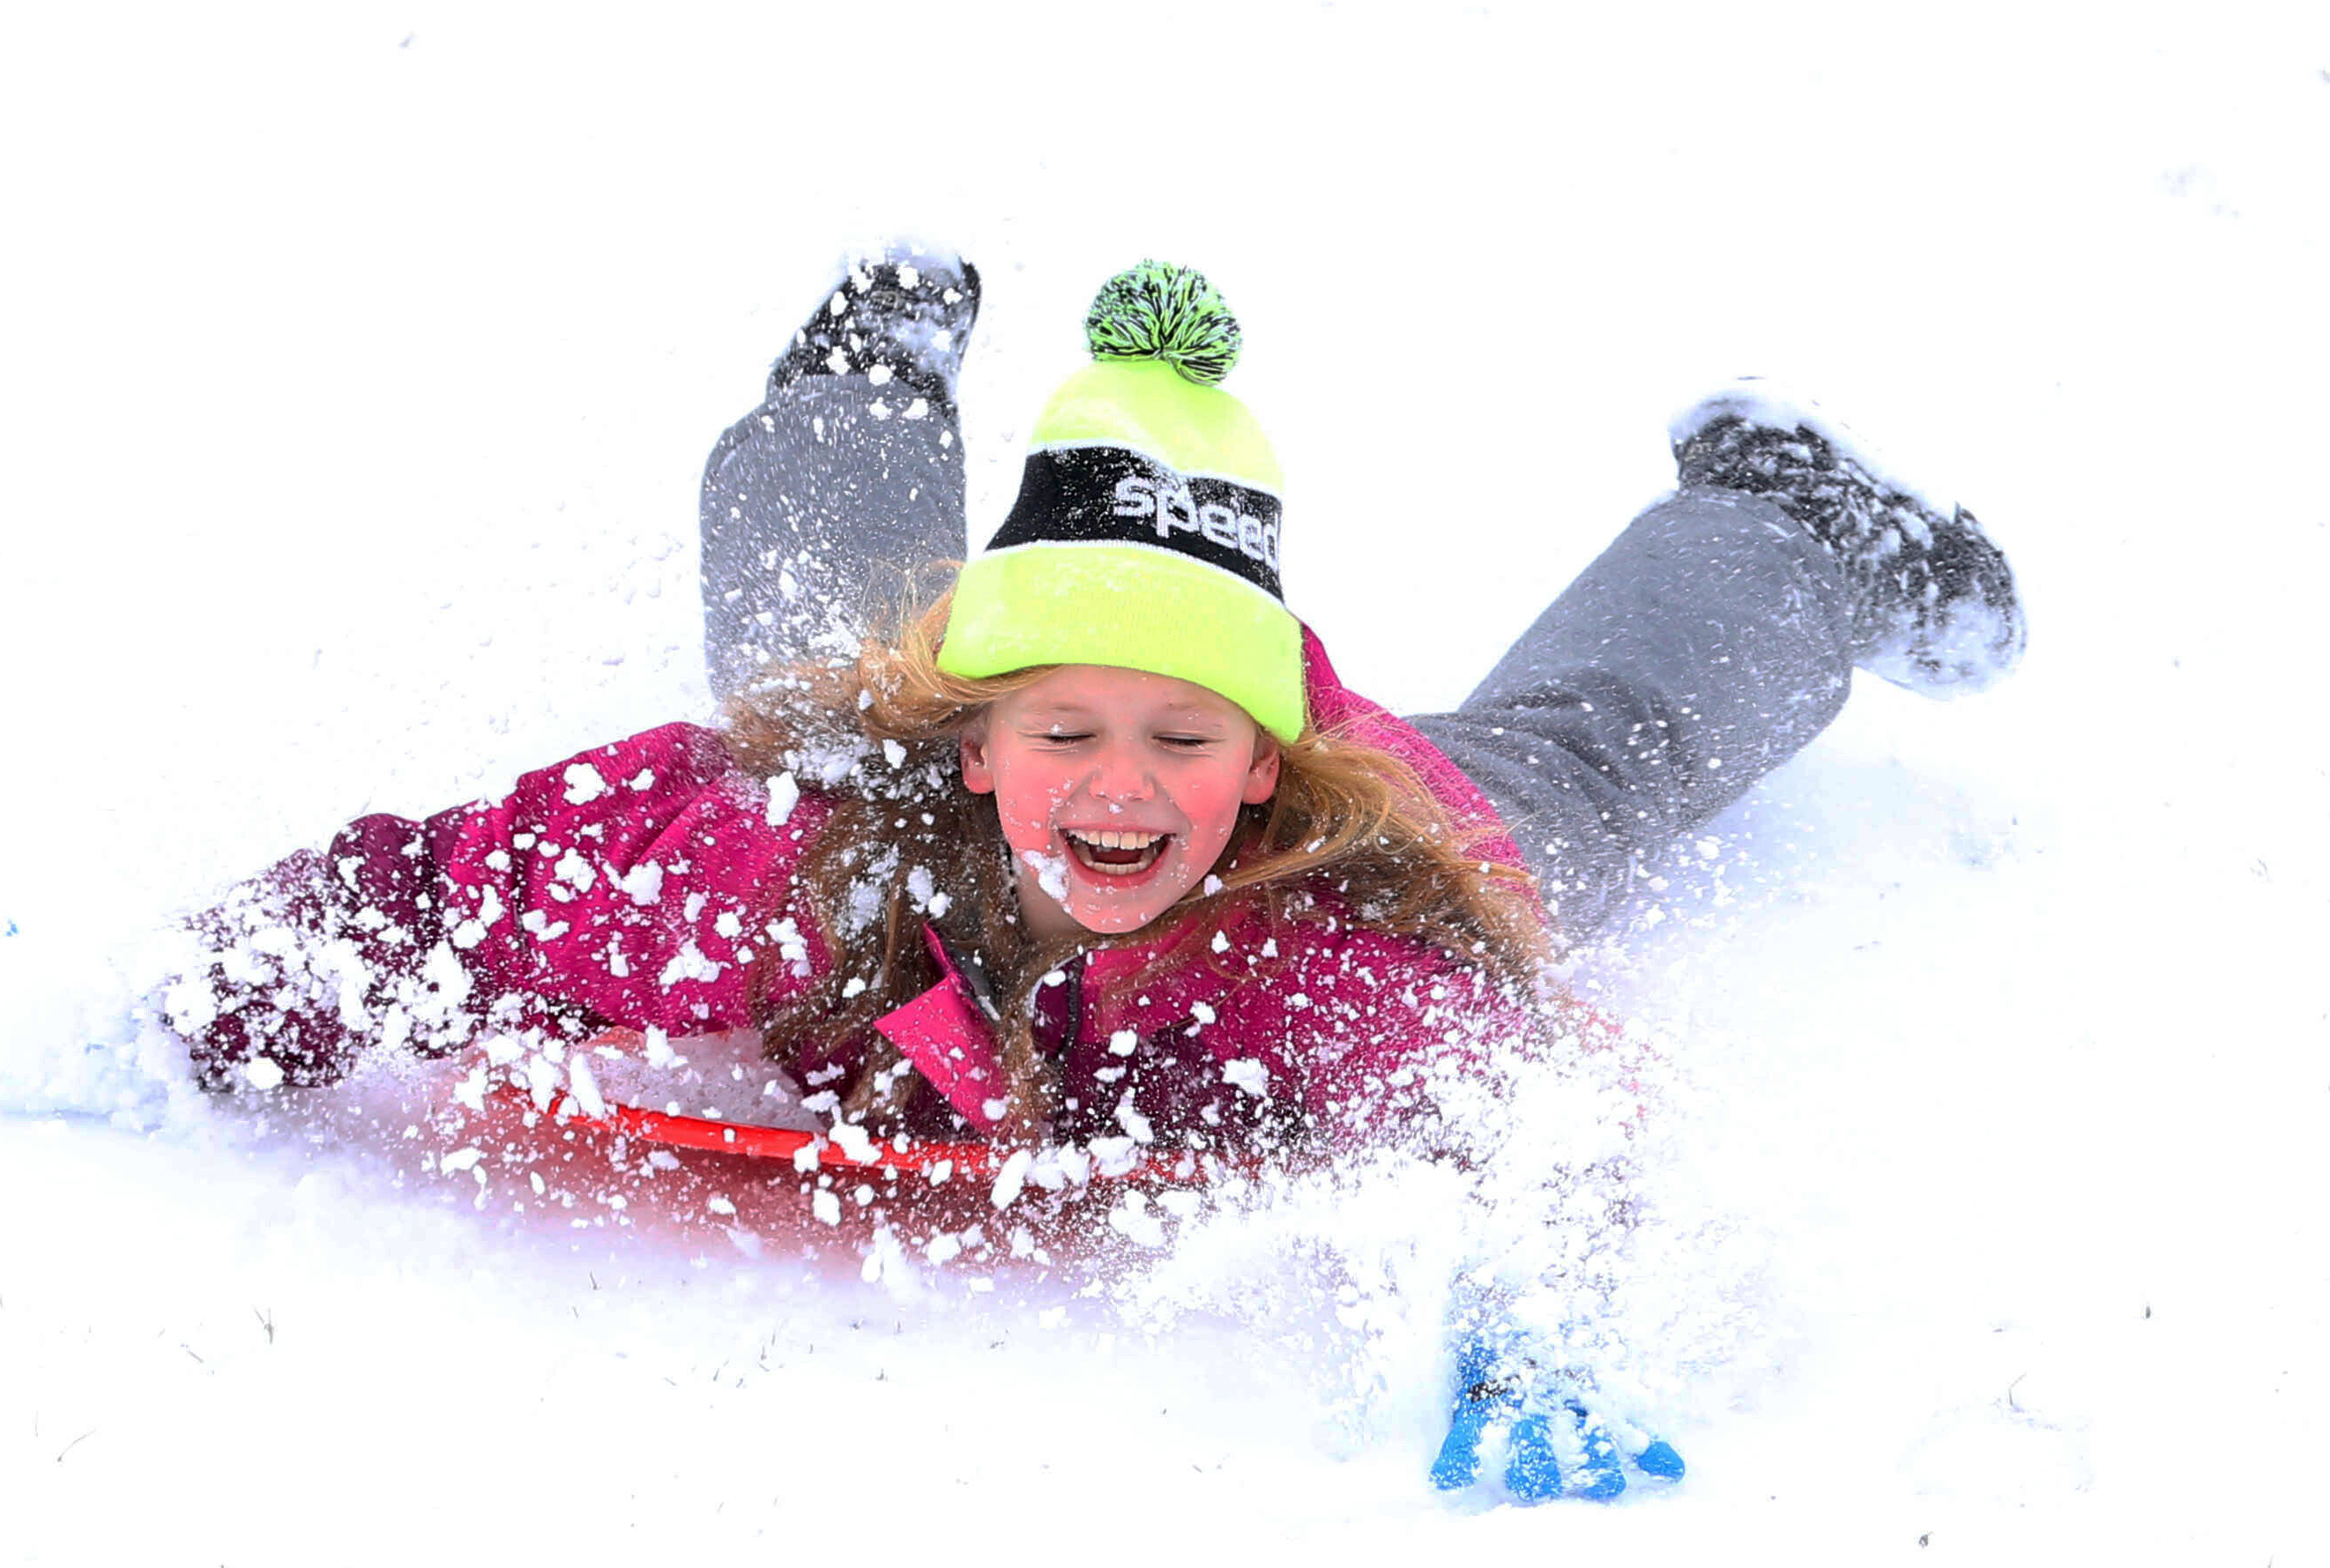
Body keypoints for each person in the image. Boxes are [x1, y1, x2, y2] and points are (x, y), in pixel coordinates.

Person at [163, 250, 2022, 1505]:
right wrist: (239, 998)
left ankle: (1792, 510)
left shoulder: (1327, 932)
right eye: (1062, 732)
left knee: (1578, 770)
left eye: (1184, 740)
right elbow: (456, 895)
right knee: (807, 650)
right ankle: (861, 380)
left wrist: (1526, 1321)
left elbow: (1519, 1106)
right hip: (893, 746)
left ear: (1262, 759)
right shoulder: (785, 842)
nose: (1120, 790)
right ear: (979, 740)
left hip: (1384, 820)